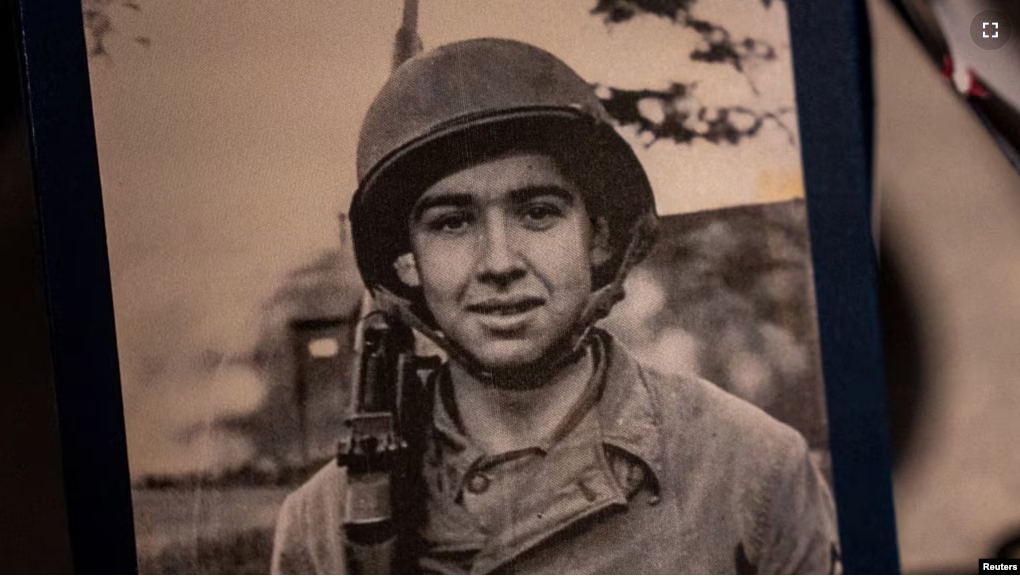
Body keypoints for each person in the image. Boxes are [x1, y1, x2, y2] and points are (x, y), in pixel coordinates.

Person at [271, 38, 840, 574]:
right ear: (406, 264)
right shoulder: (322, 526)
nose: (499, 262)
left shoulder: (751, 471)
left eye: (538, 212)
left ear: (598, 237)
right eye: (451, 222)